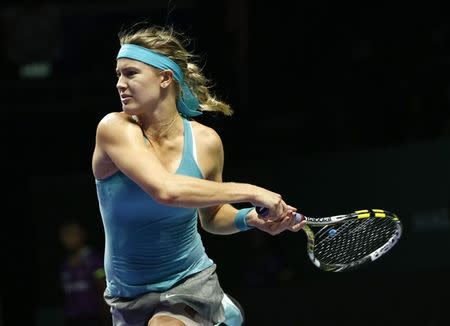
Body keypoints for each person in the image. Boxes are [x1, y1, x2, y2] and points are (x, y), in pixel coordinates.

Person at [92, 23, 306, 326]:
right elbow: (166, 191)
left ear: (165, 78)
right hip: (126, 298)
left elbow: (212, 217)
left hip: (188, 283)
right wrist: (252, 191)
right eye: (118, 75)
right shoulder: (114, 128)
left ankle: (212, 306)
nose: (120, 84)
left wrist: (249, 219)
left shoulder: (206, 143)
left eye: (131, 73)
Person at [58, 219, 111, 326]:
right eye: (65, 235)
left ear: (81, 235)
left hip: (93, 317)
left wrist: (106, 315)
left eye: (72, 234)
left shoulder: (94, 260)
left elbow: (103, 286)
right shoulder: (64, 265)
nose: (68, 238)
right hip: (72, 318)